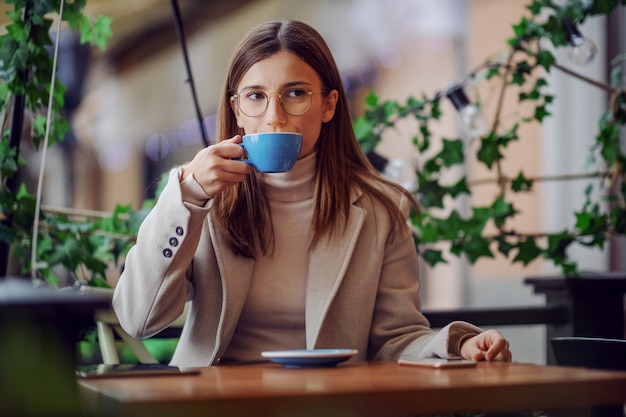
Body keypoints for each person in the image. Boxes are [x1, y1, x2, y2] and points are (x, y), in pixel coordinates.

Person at [112, 19, 512, 368]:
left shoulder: (380, 210)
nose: (274, 116)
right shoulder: (202, 197)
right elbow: (139, 319)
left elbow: (397, 339)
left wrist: (460, 345)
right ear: (235, 109)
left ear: (329, 105)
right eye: (255, 96)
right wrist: (189, 197)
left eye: (295, 93)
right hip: (215, 401)